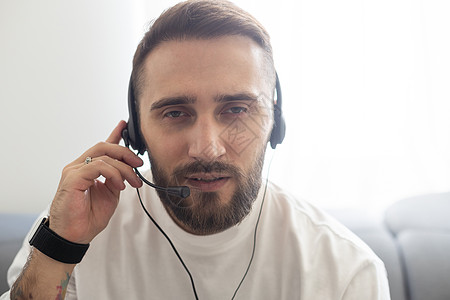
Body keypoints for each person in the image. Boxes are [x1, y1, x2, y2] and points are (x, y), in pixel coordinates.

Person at [2, 0, 390, 299]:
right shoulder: (72, 235)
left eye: (236, 109)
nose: (208, 148)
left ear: (276, 122)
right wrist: (61, 244)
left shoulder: (346, 271)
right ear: (135, 131)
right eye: (175, 112)